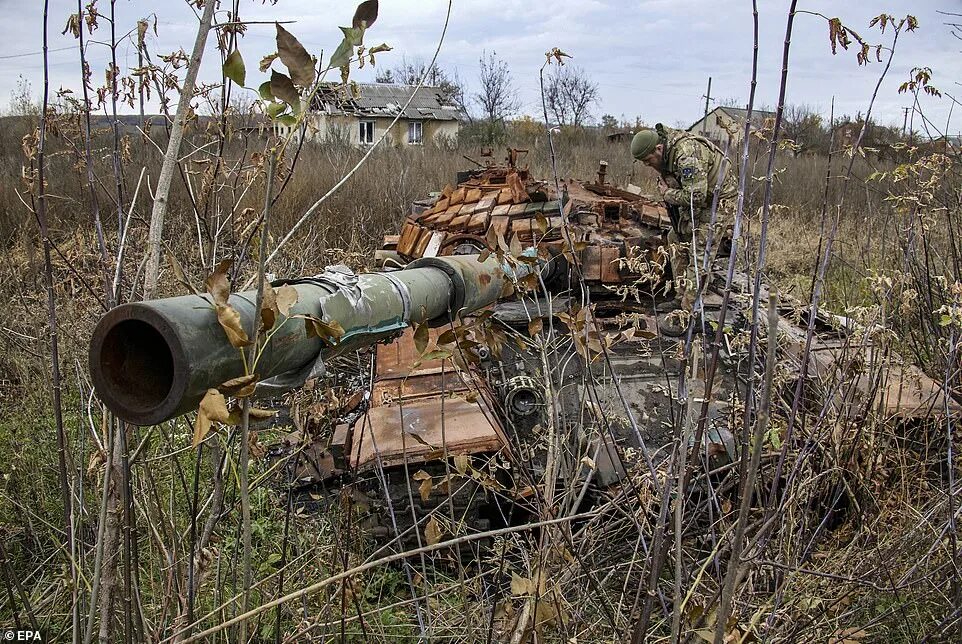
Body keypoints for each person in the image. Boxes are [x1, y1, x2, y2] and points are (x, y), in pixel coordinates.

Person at [630, 124, 736, 329]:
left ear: (658, 149)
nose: (648, 165)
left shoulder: (686, 154)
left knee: (699, 253)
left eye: (648, 161)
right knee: (676, 239)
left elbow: (695, 196)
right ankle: (680, 298)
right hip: (701, 198)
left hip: (718, 202)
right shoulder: (668, 153)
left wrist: (667, 194)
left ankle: (689, 314)